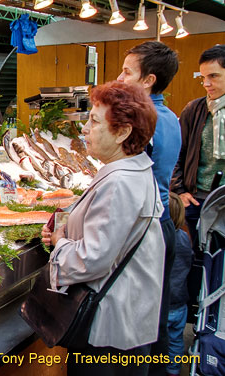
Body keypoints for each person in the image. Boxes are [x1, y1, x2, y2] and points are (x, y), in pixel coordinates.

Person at [41, 81, 164, 375]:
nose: (84, 129)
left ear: (123, 132)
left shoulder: (120, 182)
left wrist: (61, 243)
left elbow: (91, 259)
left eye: (94, 121)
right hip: (128, 318)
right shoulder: (135, 169)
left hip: (109, 331)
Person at [116, 40, 181, 375]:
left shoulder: (145, 122)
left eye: (127, 71)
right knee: (156, 312)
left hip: (144, 230)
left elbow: (127, 179)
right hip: (165, 221)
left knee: (135, 324)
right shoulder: (171, 116)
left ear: (148, 80)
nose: (120, 77)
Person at [171, 44, 225, 248]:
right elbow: (178, 152)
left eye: (214, 76)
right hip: (198, 199)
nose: (206, 84)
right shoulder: (194, 110)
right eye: (203, 77)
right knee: (198, 260)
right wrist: (179, 191)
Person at [166, 192, 193, 376]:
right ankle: (174, 370)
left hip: (163, 304)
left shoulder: (164, 240)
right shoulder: (185, 238)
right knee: (176, 339)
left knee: (157, 340)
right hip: (180, 303)